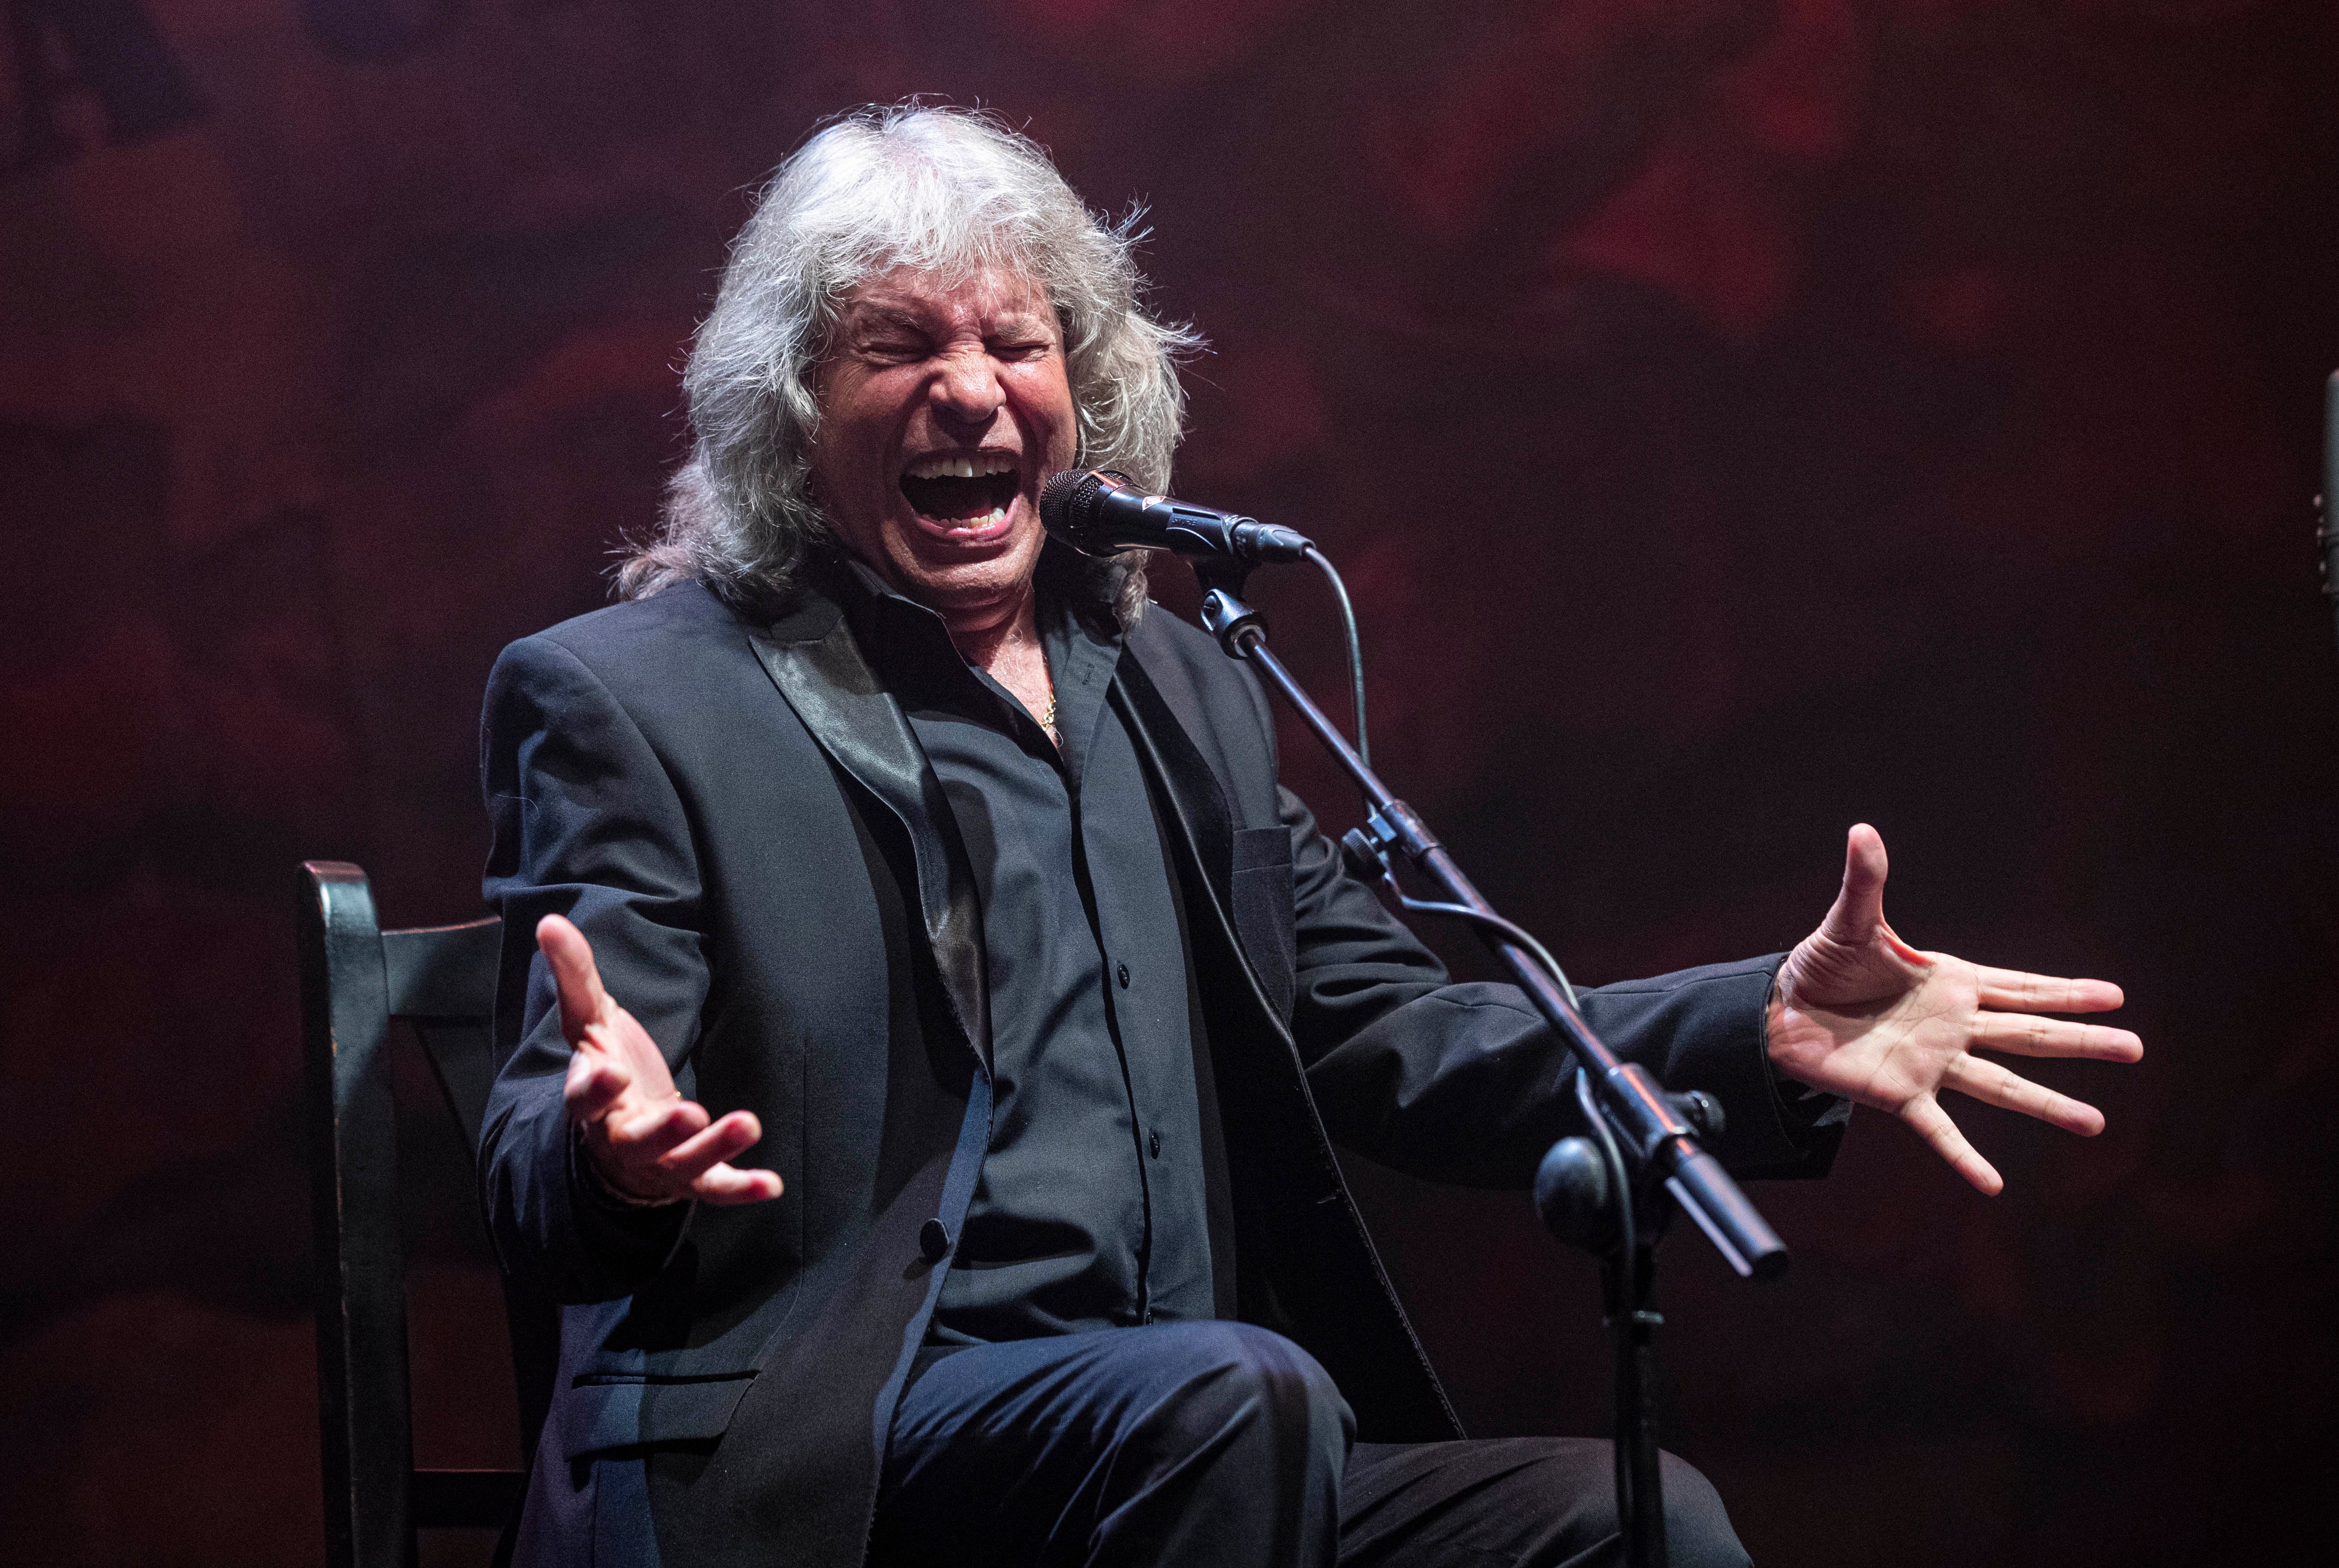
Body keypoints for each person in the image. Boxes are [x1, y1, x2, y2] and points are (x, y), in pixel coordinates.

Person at [478, 105, 2141, 1568]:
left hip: (1197, 1444)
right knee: (1237, 1394)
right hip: (838, 1456)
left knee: (1634, 1522)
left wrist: (1760, 1028)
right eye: (896, 346)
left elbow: (1406, 1033)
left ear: (1088, 390)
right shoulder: (637, 700)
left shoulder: (1181, 690)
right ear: (789, 408)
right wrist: (606, 1150)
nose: (970, 391)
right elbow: (536, 1141)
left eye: (1020, 343)